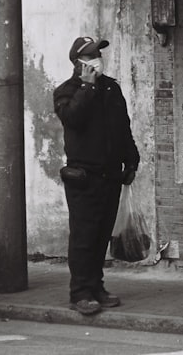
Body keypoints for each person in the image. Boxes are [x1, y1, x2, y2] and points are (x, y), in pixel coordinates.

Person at [54, 35, 140, 316]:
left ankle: (96, 286)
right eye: (91, 56)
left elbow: (122, 127)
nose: (97, 60)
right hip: (83, 176)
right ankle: (80, 292)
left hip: (110, 175)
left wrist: (131, 160)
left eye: (98, 54)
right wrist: (87, 87)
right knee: (84, 236)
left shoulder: (111, 89)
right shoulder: (66, 91)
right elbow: (73, 119)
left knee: (102, 233)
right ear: (79, 62)